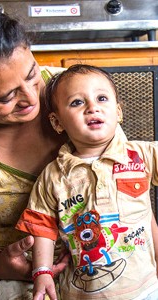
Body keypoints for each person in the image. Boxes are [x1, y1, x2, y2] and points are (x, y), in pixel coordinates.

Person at [0, 2, 69, 299]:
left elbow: (127, 174)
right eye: (7, 97)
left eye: (32, 74)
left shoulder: (76, 89)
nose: (31, 97)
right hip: (5, 276)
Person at [16, 64, 158, 300]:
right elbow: (43, 228)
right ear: (57, 122)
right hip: (83, 292)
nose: (93, 107)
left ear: (119, 112)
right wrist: (42, 271)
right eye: (77, 102)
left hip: (146, 287)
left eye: (102, 98)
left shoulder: (141, 155)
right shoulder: (53, 176)